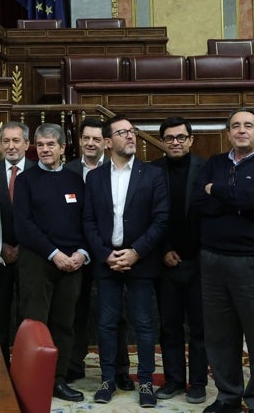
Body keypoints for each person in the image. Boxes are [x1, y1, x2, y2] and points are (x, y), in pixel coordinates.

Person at [192, 108, 254, 413]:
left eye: (249, 126)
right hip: (213, 260)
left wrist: (219, 192)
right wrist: (242, 198)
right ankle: (227, 396)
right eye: (236, 126)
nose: (242, 130)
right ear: (228, 133)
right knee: (220, 336)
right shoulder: (214, 163)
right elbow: (199, 202)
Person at [83, 115, 169, 407]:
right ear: (108, 142)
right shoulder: (94, 177)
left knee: (144, 325)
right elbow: (88, 221)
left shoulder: (152, 174)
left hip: (140, 261)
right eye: (123, 133)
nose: (131, 137)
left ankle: (145, 382)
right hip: (107, 261)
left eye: (132, 132)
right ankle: (108, 380)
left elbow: (161, 219)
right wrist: (106, 254)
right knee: (106, 324)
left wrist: (136, 252)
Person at [14, 122, 89, 403]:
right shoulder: (26, 180)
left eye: (50, 145)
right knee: (35, 323)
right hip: (38, 261)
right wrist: (54, 253)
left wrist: (82, 253)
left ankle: (57, 380)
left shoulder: (74, 180)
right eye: (40, 145)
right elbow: (24, 226)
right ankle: (30, 380)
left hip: (72, 263)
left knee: (64, 323)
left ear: (62, 148)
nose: (45, 150)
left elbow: (85, 219)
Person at [150, 116, 209, 404]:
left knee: (199, 327)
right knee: (170, 326)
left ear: (190, 140)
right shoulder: (151, 171)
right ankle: (174, 379)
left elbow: (211, 214)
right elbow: (146, 215)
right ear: (162, 142)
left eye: (181, 137)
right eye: (170, 138)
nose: (175, 142)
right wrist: (163, 249)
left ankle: (198, 382)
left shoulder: (206, 169)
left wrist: (197, 254)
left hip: (199, 261)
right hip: (165, 261)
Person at [62, 117, 109, 385]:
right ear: (79, 141)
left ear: (106, 141)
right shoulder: (67, 170)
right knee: (75, 312)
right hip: (75, 254)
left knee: (112, 312)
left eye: (96, 138)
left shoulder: (115, 169)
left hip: (106, 252)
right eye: (86, 138)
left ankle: (115, 369)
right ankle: (73, 363)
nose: (90, 143)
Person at [0, 120, 32, 361]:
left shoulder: (37, 170)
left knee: (28, 314)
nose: (11, 146)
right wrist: (0, 246)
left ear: (26, 144)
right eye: (6, 141)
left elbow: (44, 215)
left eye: (16, 141)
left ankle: (25, 364)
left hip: (30, 254)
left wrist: (24, 246)